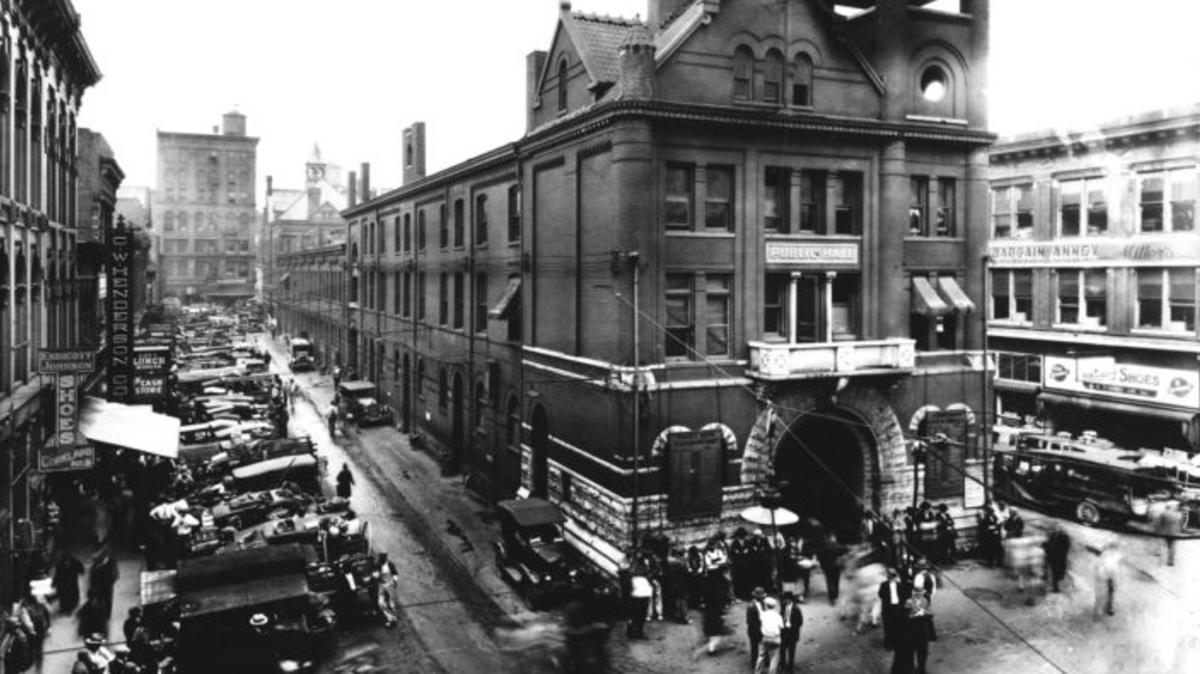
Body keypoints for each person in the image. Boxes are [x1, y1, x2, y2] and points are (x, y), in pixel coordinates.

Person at [906, 587, 937, 674]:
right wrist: (917, 614)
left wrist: (924, 613)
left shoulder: (925, 601)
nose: (918, 595)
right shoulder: (909, 602)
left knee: (923, 651)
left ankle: (921, 668)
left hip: (923, 631)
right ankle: (912, 668)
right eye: (916, 594)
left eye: (920, 594)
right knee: (912, 650)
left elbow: (930, 614)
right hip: (913, 631)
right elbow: (906, 616)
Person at [878, 567, 910, 651]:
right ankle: (889, 644)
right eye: (890, 576)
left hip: (898, 607)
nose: (891, 577)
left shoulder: (899, 584)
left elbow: (904, 595)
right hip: (888, 608)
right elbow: (880, 595)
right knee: (888, 626)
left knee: (898, 625)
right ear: (888, 577)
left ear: (895, 576)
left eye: (893, 576)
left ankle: (898, 642)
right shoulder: (883, 585)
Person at [816, 531, 845, 605]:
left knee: (829, 581)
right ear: (834, 537)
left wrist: (822, 566)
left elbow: (820, 556)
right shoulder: (838, 545)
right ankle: (836, 595)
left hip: (827, 566)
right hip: (837, 566)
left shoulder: (824, 546)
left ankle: (831, 597)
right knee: (836, 580)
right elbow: (843, 555)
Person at [756, 595, 783, 674]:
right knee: (774, 658)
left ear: (766, 606)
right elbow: (781, 626)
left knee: (761, 656)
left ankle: (757, 672)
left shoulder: (763, 615)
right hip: (775, 638)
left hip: (765, 637)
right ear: (774, 606)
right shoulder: (778, 616)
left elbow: (760, 621)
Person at [1093, 541, 1121, 618]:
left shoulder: (1112, 553)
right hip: (1106, 570)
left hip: (1108, 570)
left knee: (1110, 589)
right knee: (1108, 589)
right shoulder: (1110, 553)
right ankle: (1107, 607)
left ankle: (1108, 607)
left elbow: (1097, 552)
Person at [779, 590, 804, 673]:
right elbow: (780, 616)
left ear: (790, 599)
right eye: (784, 599)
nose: (784, 601)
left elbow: (800, 622)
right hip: (784, 632)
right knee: (782, 649)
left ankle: (790, 667)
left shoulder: (796, 609)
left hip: (792, 633)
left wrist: (792, 627)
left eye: (786, 599)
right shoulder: (783, 606)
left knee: (791, 651)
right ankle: (782, 665)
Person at [1042, 523, 1071, 592]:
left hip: (1058, 558)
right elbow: (1049, 543)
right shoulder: (1053, 535)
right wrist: (1044, 545)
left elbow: (1064, 548)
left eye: (1056, 530)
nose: (1055, 531)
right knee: (1046, 567)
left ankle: (1056, 587)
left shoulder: (1064, 537)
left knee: (1056, 573)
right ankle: (1045, 577)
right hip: (1050, 555)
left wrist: (1052, 547)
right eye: (1055, 530)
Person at [746, 586, 767, 668]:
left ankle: (765, 661)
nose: (762, 598)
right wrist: (759, 629)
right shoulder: (751, 606)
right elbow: (749, 621)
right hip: (754, 630)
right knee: (754, 648)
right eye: (761, 597)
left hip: (763, 627)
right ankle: (754, 663)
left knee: (765, 646)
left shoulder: (763, 603)